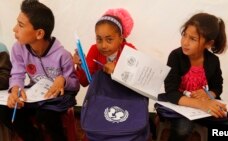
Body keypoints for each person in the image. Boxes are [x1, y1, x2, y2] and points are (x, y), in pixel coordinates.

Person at [0, 1, 80, 141]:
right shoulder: (18, 48)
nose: (14, 29)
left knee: (45, 115)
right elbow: (17, 74)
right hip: (35, 95)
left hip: (58, 99)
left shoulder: (63, 55)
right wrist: (15, 90)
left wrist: (63, 80)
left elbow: (75, 85)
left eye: (21, 25)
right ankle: (34, 137)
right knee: (5, 112)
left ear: (39, 33)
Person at [158, 12, 228, 141]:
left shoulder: (213, 61)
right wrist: (201, 104)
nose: (185, 42)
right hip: (180, 107)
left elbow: (218, 87)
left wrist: (208, 95)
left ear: (208, 44)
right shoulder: (175, 56)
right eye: (184, 35)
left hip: (204, 107)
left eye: (193, 39)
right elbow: (171, 92)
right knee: (183, 128)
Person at [73, 8, 135, 86]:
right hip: (103, 97)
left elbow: (139, 80)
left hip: (126, 97)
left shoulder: (129, 50)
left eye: (109, 39)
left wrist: (117, 71)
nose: (103, 45)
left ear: (121, 39)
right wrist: (80, 65)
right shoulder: (94, 50)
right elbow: (84, 82)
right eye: (99, 39)